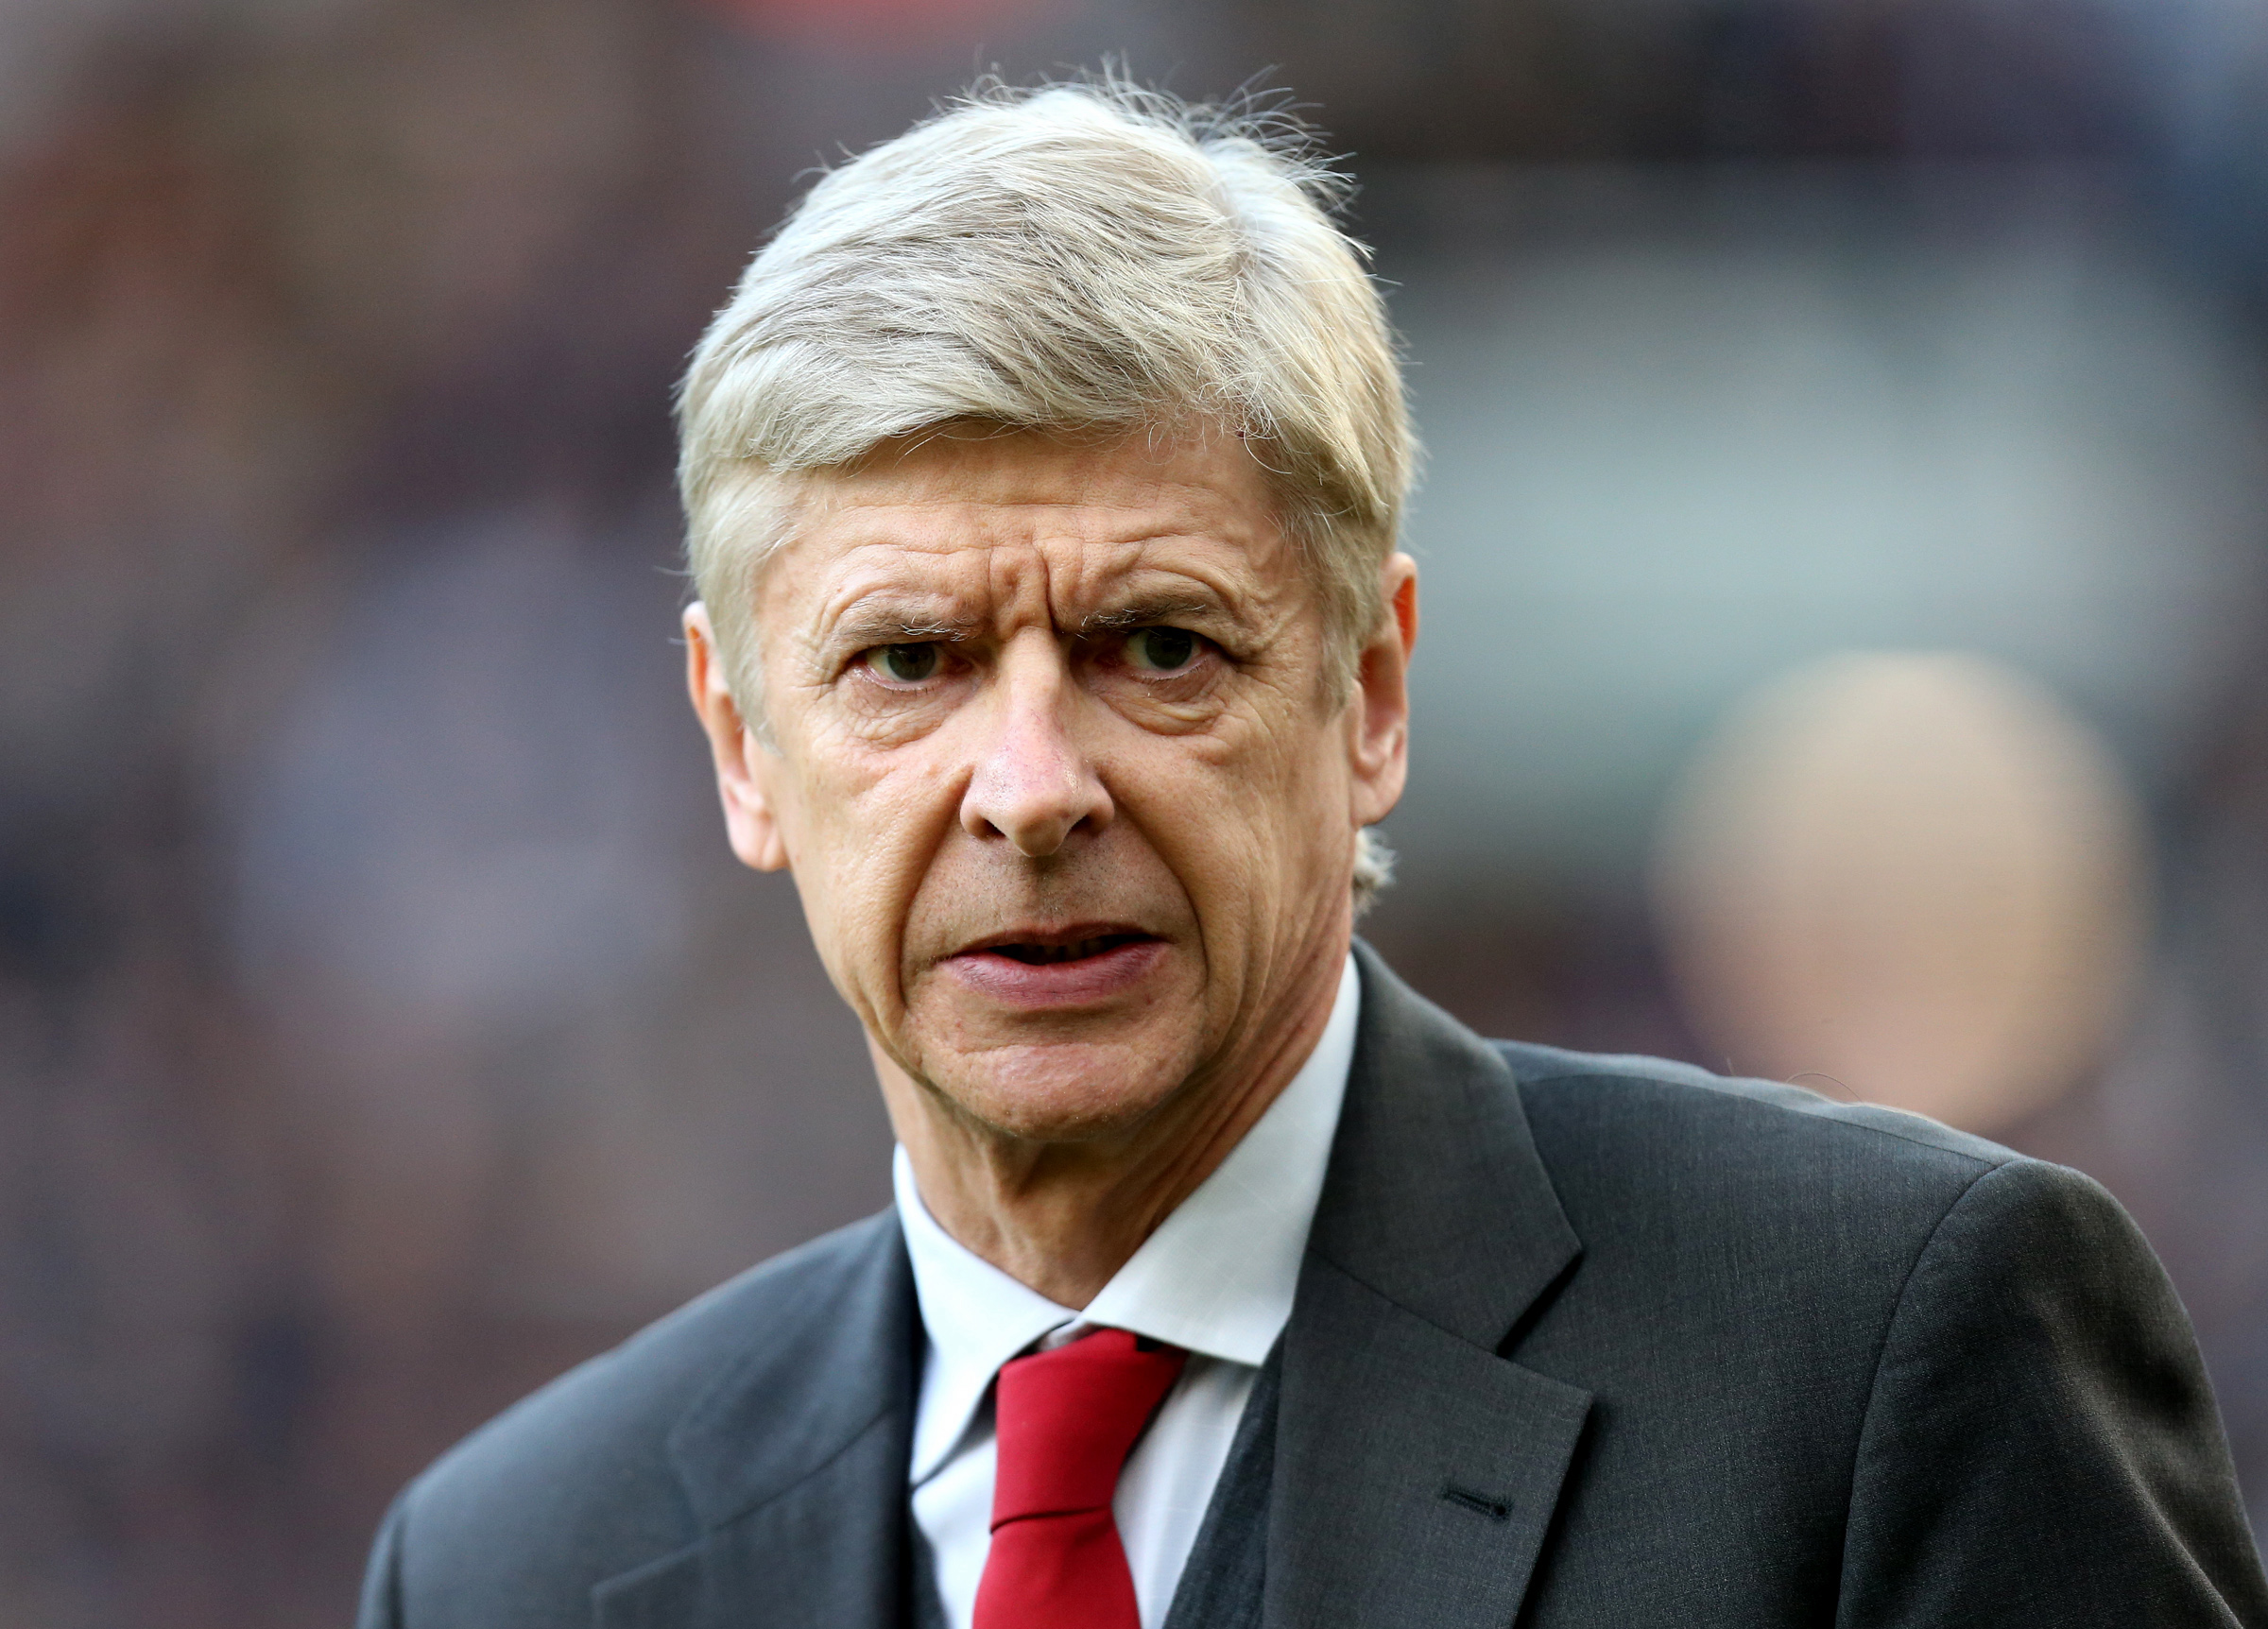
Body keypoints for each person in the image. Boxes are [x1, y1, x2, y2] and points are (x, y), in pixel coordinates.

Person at [356, 79, 2268, 1629]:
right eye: (909, 663)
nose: (1031, 785)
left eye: (1158, 647)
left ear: (1368, 694)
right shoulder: (514, 1565)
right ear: (740, 745)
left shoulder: (1883, 1366)